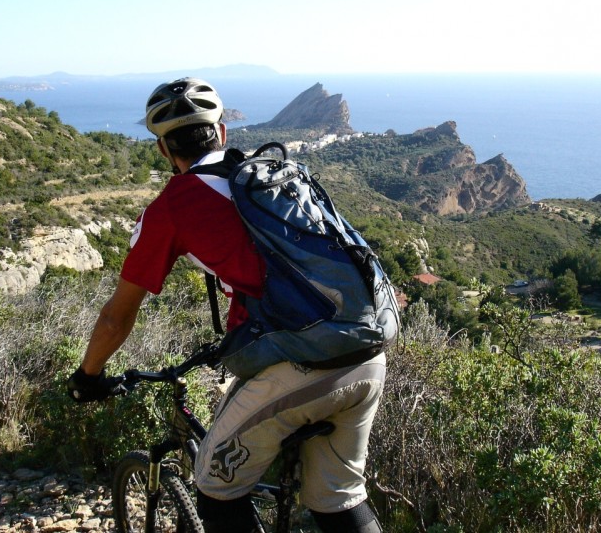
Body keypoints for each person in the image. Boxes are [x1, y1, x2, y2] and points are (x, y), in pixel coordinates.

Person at [66, 78, 385, 533]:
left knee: (215, 486)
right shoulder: (271, 178)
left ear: (162, 150)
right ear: (223, 134)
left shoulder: (173, 207)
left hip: (302, 365)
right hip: (368, 351)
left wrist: (88, 376)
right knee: (337, 499)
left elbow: (118, 315)